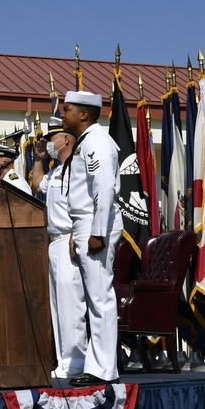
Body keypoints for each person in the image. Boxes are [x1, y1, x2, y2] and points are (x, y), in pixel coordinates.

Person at [60, 90, 122, 387]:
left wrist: (97, 231)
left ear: (84, 114)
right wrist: (78, 231)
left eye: (67, 108)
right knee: (95, 299)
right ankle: (98, 366)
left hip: (98, 224)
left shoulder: (96, 141)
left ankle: (102, 371)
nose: (63, 113)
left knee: (99, 299)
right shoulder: (86, 142)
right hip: (86, 224)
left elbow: (104, 188)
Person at [31, 117, 87, 379]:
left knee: (71, 302)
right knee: (57, 304)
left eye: (53, 138)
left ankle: (77, 359)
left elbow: (85, 204)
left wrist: (77, 233)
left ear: (66, 139)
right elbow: (36, 185)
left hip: (69, 239)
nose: (49, 143)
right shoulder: (54, 172)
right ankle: (64, 360)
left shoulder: (77, 168)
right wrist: (40, 158)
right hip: (53, 242)